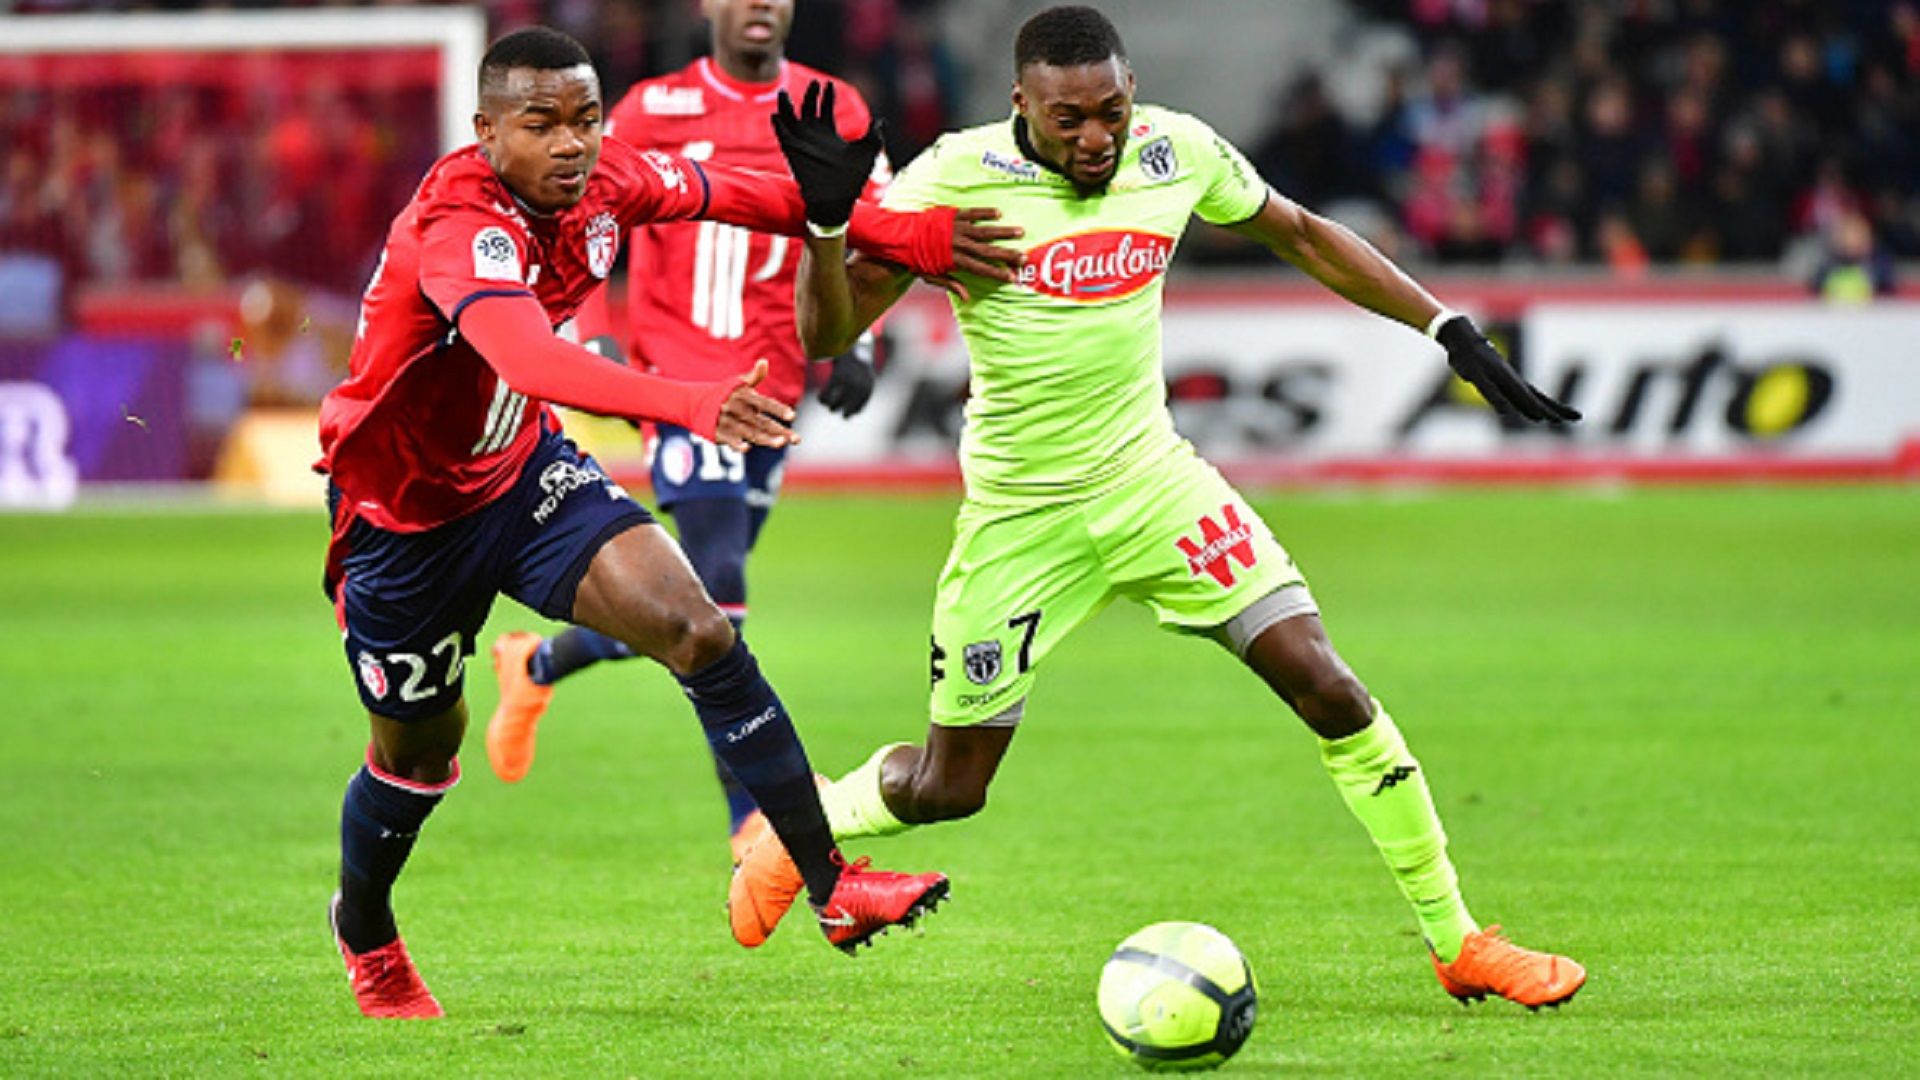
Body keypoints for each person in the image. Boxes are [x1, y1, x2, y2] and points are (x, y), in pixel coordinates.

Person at [733, 5, 1588, 1010]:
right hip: (1022, 522)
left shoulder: (1175, 150)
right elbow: (830, 329)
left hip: (1156, 487)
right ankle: (795, 830)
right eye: (1068, 120)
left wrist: (1444, 326)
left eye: (1110, 112)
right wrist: (831, 228)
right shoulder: (953, 177)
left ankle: (1461, 942)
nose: (1095, 139)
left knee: (1329, 688)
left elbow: (1302, 234)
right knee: (948, 789)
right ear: (1021, 104)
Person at [319, 26, 1021, 1019]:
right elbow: (527, 356)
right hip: (404, 522)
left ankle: (831, 887)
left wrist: (921, 240)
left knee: (700, 626)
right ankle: (367, 932)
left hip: (521, 476)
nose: (572, 143)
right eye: (541, 124)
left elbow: (747, 194)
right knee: (417, 755)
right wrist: (688, 400)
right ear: (485, 132)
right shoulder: (458, 221)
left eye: (586, 119)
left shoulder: (606, 180)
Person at [486, 0, 888, 861]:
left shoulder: (836, 109)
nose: (757, 4)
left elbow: (866, 228)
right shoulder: (650, 109)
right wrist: (589, 323)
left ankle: (537, 665)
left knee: (701, 599)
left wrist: (861, 336)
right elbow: (588, 221)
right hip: (681, 376)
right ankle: (752, 820)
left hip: (774, 381)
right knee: (721, 590)